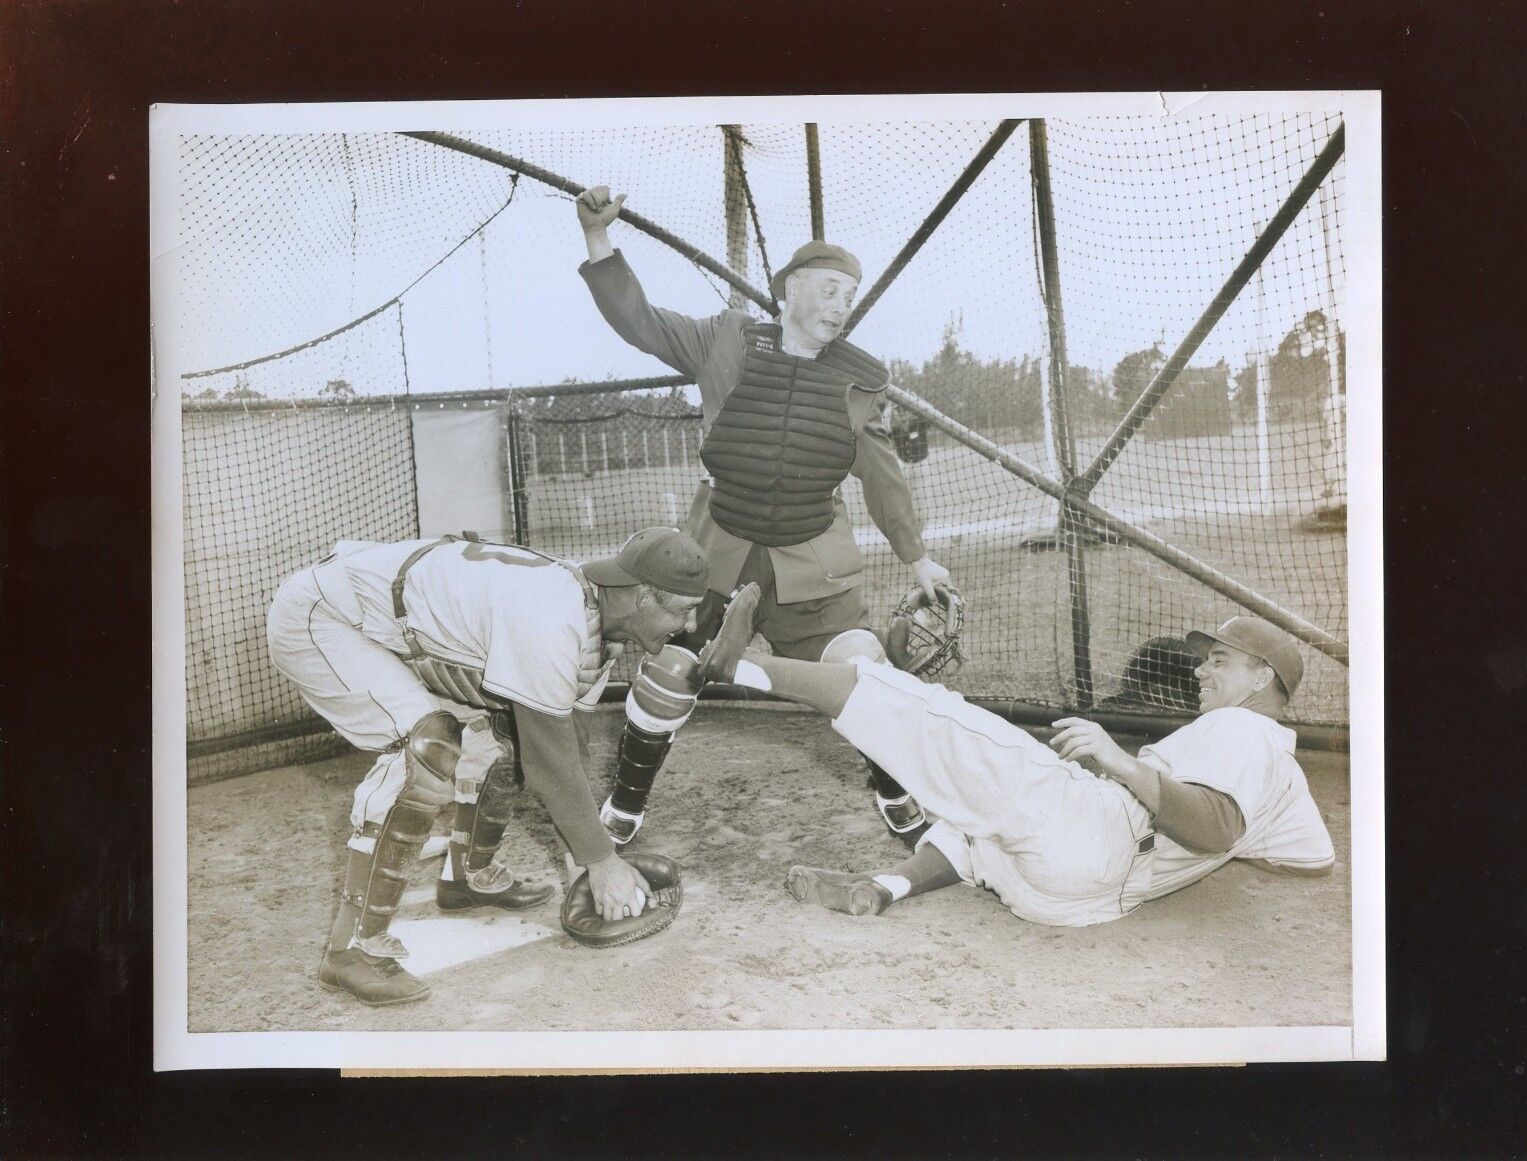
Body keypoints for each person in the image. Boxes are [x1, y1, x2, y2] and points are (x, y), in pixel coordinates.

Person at [574, 184, 952, 848]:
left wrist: (917, 557)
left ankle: (892, 789)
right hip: (717, 554)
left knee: (863, 673)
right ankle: (626, 803)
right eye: (829, 288)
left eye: (849, 294)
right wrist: (598, 238)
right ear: (791, 291)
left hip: (814, 563)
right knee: (670, 670)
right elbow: (641, 321)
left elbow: (883, 477)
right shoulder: (726, 341)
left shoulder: (859, 379)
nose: (842, 304)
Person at [266, 526, 754, 1005]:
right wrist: (603, 863)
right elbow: (550, 763)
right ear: (644, 597)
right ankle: (350, 952)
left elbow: (568, 749)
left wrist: (585, 860)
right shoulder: (551, 621)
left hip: (387, 623)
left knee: (507, 735)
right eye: (685, 610)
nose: (689, 628)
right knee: (426, 748)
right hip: (324, 618)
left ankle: (467, 878)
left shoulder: (596, 626)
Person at [710, 608, 1334, 927]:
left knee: (943, 721)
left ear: (1262, 680)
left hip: (1101, 831)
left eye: (1220, 661)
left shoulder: (1240, 729)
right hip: (1077, 901)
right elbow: (1312, 858)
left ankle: (736, 668)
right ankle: (886, 886)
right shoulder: (1284, 769)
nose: (1200, 670)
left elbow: (1219, 827)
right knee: (980, 819)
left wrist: (1117, 761)